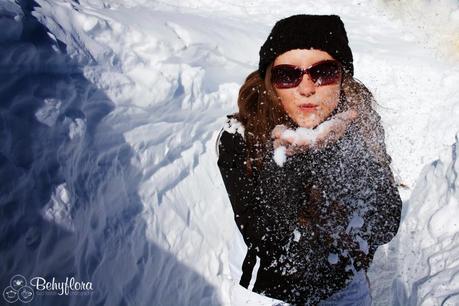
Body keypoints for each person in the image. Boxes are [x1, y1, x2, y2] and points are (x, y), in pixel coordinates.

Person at [216, 14, 402, 305]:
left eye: (323, 72)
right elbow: (273, 246)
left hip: (346, 287)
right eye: (287, 75)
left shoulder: (359, 122)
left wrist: (342, 153)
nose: (306, 88)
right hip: (271, 294)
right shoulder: (242, 137)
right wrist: (294, 160)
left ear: (342, 77)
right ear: (270, 82)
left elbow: (384, 223)